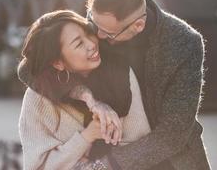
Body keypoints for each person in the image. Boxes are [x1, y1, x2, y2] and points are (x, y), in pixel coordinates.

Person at [71, 0, 210, 170]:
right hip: (100, 150)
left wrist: (107, 165)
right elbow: (32, 71)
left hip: (170, 161)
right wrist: (91, 99)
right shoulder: (96, 25)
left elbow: (174, 132)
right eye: (94, 23)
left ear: (138, 25)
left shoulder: (184, 43)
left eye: (108, 33)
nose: (97, 36)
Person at [18, 10, 151, 169]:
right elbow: (37, 166)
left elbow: (141, 144)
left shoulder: (122, 74)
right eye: (79, 43)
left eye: (88, 33)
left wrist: (103, 158)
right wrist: (87, 136)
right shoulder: (37, 98)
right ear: (58, 63)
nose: (91, 44)